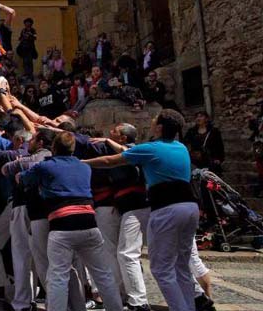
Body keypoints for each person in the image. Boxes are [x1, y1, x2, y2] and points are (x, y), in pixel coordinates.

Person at [85, 110, 200, 311]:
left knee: (161, 269)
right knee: (181, 265)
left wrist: (80, 163)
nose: (152, 124)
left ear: (160, 128)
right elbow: (129, 150)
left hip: (166, 208)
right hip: (190, 207)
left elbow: (110, 161)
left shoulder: (151, 148)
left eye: (154, 122)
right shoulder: (181, 147)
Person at [21, 132, 124, 311]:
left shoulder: (45, 166)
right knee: (103, 275)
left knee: (58, 277)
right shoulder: (84, 167)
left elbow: (24, 178)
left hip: (62, 227)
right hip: (89, 224)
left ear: (53, 148)